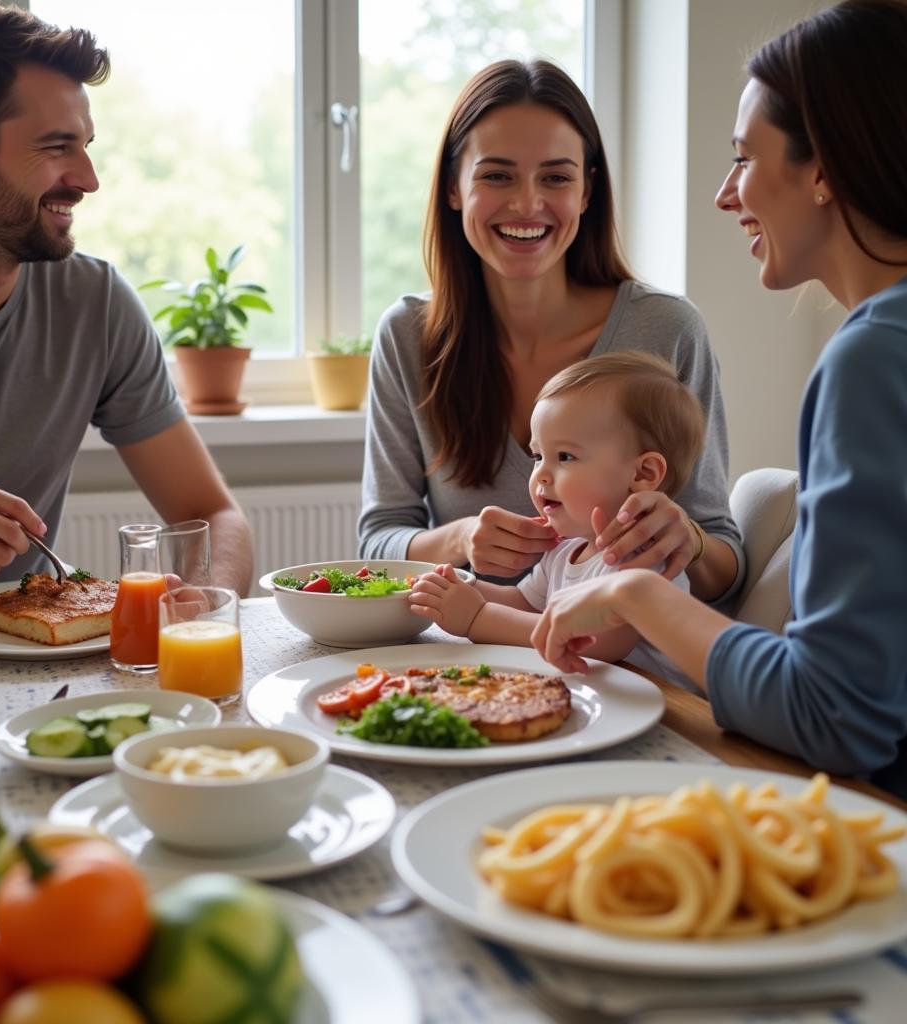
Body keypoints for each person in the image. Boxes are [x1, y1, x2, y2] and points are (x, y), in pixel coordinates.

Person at [530, 0, 907, 798]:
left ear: (823, 167)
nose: (725, 195)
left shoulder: (876, 357)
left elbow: (836, 715)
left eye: (743, 158)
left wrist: (632, 591)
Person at [0, 5, 253, 616]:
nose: (88, 179)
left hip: (11, 654)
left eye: (85, 146)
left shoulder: (97, 304)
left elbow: (211, 513)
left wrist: (205, 603)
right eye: (58, 147)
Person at [358, 58, 743, 606]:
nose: (527, 204)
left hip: (622, 677)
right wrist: (461, 540)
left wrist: (691, 541)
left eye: (555, 177)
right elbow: (375, 544)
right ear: (452, 188)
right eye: (497, 175)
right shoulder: (406, 337)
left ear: (586, 192)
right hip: (466, 667)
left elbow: (728, 568)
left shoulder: (668, 329)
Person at [409, 352, 704, 685]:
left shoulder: (644, 555)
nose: (541, 475)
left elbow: (599, 644)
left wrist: (476, 617)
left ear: (643, 473)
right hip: (598, 695)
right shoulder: (566, 550)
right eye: (538, 456)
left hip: (669, 711)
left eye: (565, 456)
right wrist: (458, 587)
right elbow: (524, 603)